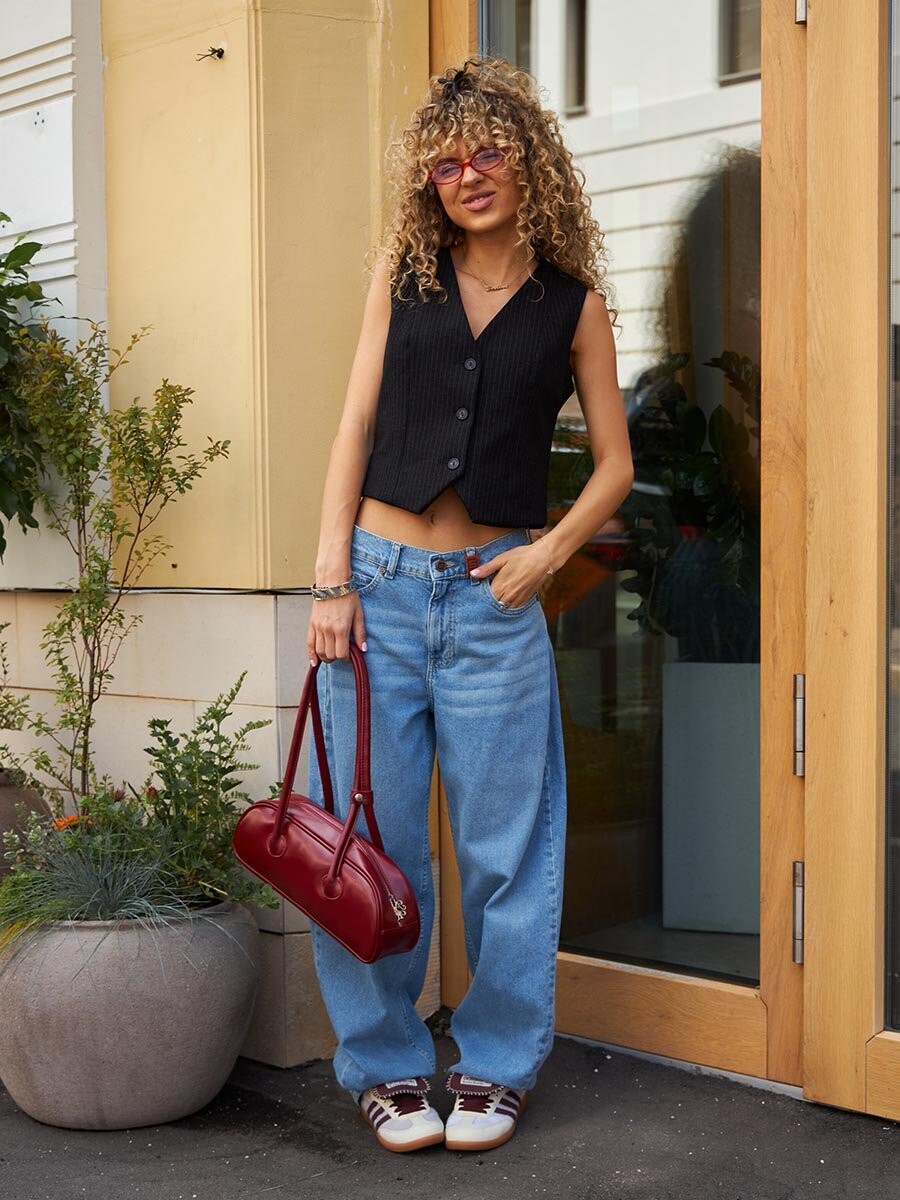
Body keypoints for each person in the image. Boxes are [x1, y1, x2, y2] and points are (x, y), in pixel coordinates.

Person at [304, 56, 633, 1154]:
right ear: (428, 184)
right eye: (446, 165)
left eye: (488, 151)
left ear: (529, 158)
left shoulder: (574, 306)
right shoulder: (404, 277)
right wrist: (330, 578)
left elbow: (615, 467)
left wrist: (549, 555)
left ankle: (495, 1063)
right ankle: (386, 1064)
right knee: (372, 843)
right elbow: (355, 425)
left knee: (509, 853)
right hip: (377, 596)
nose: (468, 176)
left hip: (497, 600)